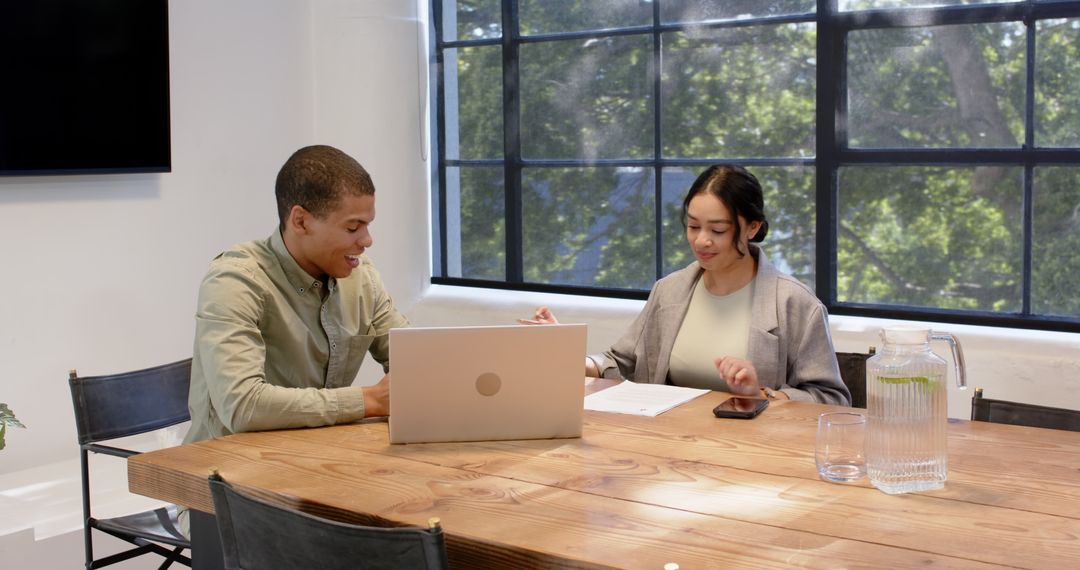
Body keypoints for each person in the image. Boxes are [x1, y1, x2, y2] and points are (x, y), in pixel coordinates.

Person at [522, 165, 849, 405]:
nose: (701, 240)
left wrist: (763, 394)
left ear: (752, 227)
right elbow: (621, 363)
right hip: (666, 450)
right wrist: (564, 351)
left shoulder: (796, 304)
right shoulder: (671, 291)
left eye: (718, 230)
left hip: (753, 460)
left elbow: (832, 400)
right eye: (693, 226)